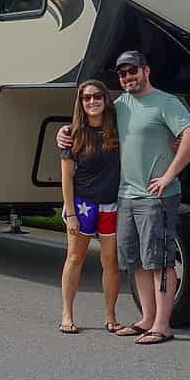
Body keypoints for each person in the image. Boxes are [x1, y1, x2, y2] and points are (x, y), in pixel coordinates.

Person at [58, 50, 190, 345]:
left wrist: (170, 174)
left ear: (145, 71)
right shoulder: (120, 105)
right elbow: (89, 119)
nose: (128, 77)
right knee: (136, 261)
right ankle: (146, 319)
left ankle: (163, 325)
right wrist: (64, 133)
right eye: (123, 74)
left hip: (156, 195)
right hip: (125, 196)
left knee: (160, 262)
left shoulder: (165, 102)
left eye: (132, 71)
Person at [58, 79, 124, 333]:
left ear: (106, 99)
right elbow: (66, 177)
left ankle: (111, 316)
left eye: (97, 96)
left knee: (111, 262)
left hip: (110, 205)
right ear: (81, 103)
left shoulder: (117, 130)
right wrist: (71, 213)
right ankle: (67, 314)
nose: (92, 101)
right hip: (82, 205)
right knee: (75, 258)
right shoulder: (72, 134)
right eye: (87, 98)